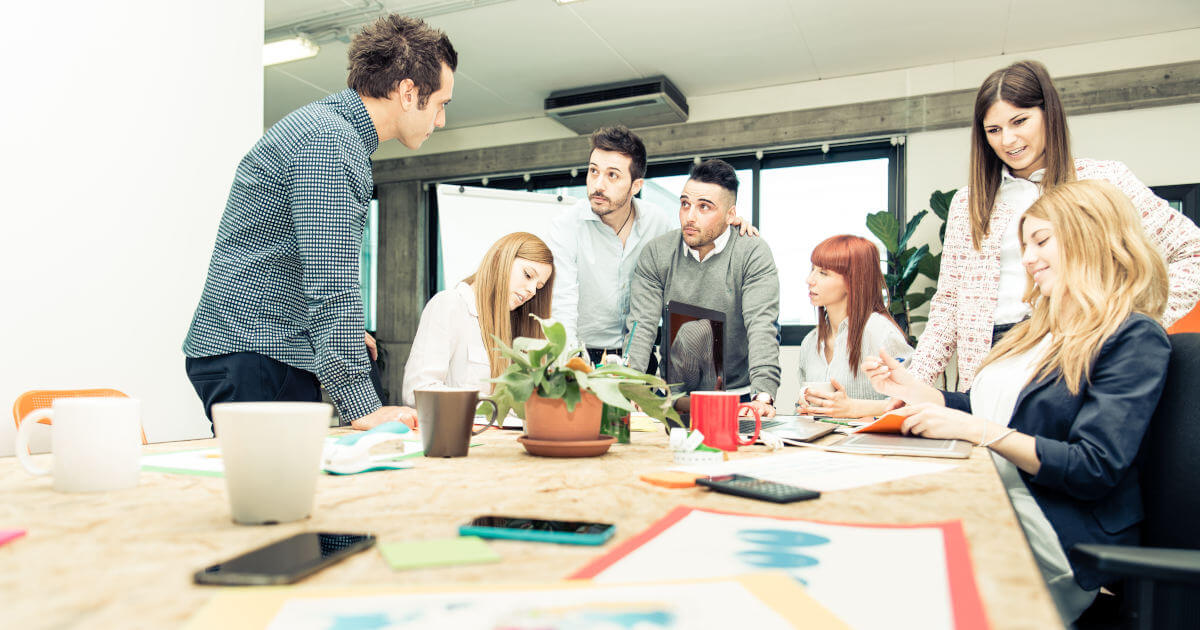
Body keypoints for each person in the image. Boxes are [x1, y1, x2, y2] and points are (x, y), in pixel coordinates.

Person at [864, 179, 1171, 624]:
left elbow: (1094, 467)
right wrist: (916, 391)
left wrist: (980, 433)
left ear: (1091, 238)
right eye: (1024, 246)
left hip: (1055, 528)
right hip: (993, 496)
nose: (1028, 260)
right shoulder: (1034, 329)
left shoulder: (1133, 336)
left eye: (1041, 241)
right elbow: (992, 409)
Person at [182, 15, 457, 430]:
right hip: (258, 353)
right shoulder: (330, 142)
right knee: (273, 492)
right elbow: (332, 282)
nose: (440, 121)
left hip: (263, 349)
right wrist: (363, 406)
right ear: (407, 92)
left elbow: (300, 258)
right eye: (440, 105)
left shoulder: (327, 129)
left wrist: (344, 333)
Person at [907, 59, 1200, 390]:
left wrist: (1131, 320)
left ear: (1049, 114)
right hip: (990, 357)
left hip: (1075, 346)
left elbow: (1193, 251)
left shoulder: (1104, 180)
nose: (1008, 140)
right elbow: (948, 307)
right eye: (994, 130)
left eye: (1020, 121)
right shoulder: (969, 202)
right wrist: (913, 385)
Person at [547, 126, 757, 365]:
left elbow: (692, 246)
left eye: (612, 175)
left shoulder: (657, 221)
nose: (598, 184)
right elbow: (562, 302)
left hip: (640, 350)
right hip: (583, 353)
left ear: (636, 186)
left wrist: (725, 226)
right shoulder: (566, 226)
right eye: (593, 171)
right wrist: (570, 363)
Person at [624, 159, 781, 418]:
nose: (690, 216)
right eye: (685, 204)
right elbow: (641, 326)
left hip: (736, 398)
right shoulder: (657, 252)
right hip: (673, 398)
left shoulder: (751, 251)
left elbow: (762, 325)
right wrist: (631, 386)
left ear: (731, 215)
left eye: (704, 207)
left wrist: (763, 396)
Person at [401, 232, 554, 417]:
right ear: (501, 260)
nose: (531, 291)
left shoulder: (517, 326)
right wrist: (493, 404)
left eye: (538, 287)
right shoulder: (450, 305)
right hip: (458, 438)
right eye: (528, 275)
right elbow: (417, 391)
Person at [795, 235, 911, 418]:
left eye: (823, 273)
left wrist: (854, 408)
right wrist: (804, 404)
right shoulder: (810, 342)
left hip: (869, 444)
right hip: (819, 442)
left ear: (853, 281)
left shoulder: (881, 333)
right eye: (813, 270)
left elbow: (915, 402)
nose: (810, 279)